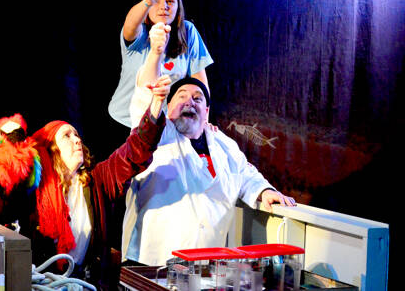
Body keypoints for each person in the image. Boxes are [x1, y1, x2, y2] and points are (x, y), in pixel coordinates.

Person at [122, 22, 297, 267]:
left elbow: (246, 175)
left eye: (197, 99)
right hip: (151, 262)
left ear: (206, 112)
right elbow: (144, 106)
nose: (189, 102)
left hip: (206, 267)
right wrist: (155, 54)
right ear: (168, 108)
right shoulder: (159, 134)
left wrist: (264, 191)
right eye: (180, 97)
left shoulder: (224, 145)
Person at [29, 74, 170, 289]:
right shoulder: (34, 190)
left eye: (77, 134)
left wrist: (156, 105)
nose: (77, 139)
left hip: (85, 285)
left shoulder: (97, 181)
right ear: (50, 150)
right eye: (67, 136)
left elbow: (133, 152)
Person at [108, 0, 213, 130]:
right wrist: (147, 1)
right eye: (157, 0)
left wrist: (203, 122)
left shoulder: (188, 32)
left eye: (170, 1)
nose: (163, 6)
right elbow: (130, 23)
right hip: (124, 122)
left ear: (178, 7)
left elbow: (200, 85)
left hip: (160, 127)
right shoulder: (139, 33)